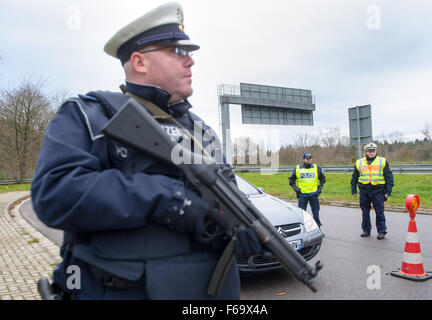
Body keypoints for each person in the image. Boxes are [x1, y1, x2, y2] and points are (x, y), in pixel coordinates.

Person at [31, 2, 261, 300]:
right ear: (139, 63)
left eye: (190, 54)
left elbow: (227, 193)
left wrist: (242, 227)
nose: (190, 62)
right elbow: (55, 193)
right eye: (178, 52)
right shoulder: (89, 116)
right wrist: (165, 197)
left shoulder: (202, 131)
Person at [351, 142, 394, 240]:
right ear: (365, 152)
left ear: (376, 151)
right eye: (369, 151)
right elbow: (354, 177)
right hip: (364, 190)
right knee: (365, 212)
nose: (371, 153)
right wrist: (353, 189)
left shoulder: (382, 161)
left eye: (373, 151)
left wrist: (388, 192)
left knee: (379, 212)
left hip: (378, 191)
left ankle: (382, 231)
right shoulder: (359, 162)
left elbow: (389, 178)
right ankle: (366, 230)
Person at [289, 152, 326, 228]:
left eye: (310, 158)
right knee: (302, 215)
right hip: (302, 195)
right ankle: (303, 229)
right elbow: (291, 180)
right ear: (303, 159)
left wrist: (320, 188)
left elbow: (323, 179)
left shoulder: (316, 168)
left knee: (316, 214)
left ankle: (318, 229)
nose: (309, 160)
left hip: (314, 195)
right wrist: (296, 189)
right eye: (307, 158)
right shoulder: (297, 168)